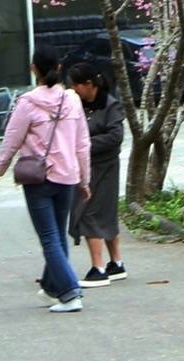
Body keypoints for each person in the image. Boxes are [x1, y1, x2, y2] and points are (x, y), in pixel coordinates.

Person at [0, 49, 92, 313]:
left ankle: (69, 293)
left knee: (49, 237)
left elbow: (12, 139)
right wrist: (85, 180)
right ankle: (52, 286)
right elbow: (82, 143)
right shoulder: (72, 100)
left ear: (34, 69)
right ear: (58, 66)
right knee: (57, 234)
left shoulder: (27, 103)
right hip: (67, 176)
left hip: (39, 178)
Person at [67, 61, 127, 287]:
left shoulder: (111, 106)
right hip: (86, 166)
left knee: (92, 212)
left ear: (89, 84)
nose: (74, 90)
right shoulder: (79, 105)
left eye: (77, 85)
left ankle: (99, 267)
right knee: (103, 213)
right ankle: (117, 263)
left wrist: (83, 144)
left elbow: (115, 137)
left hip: (105, 166)